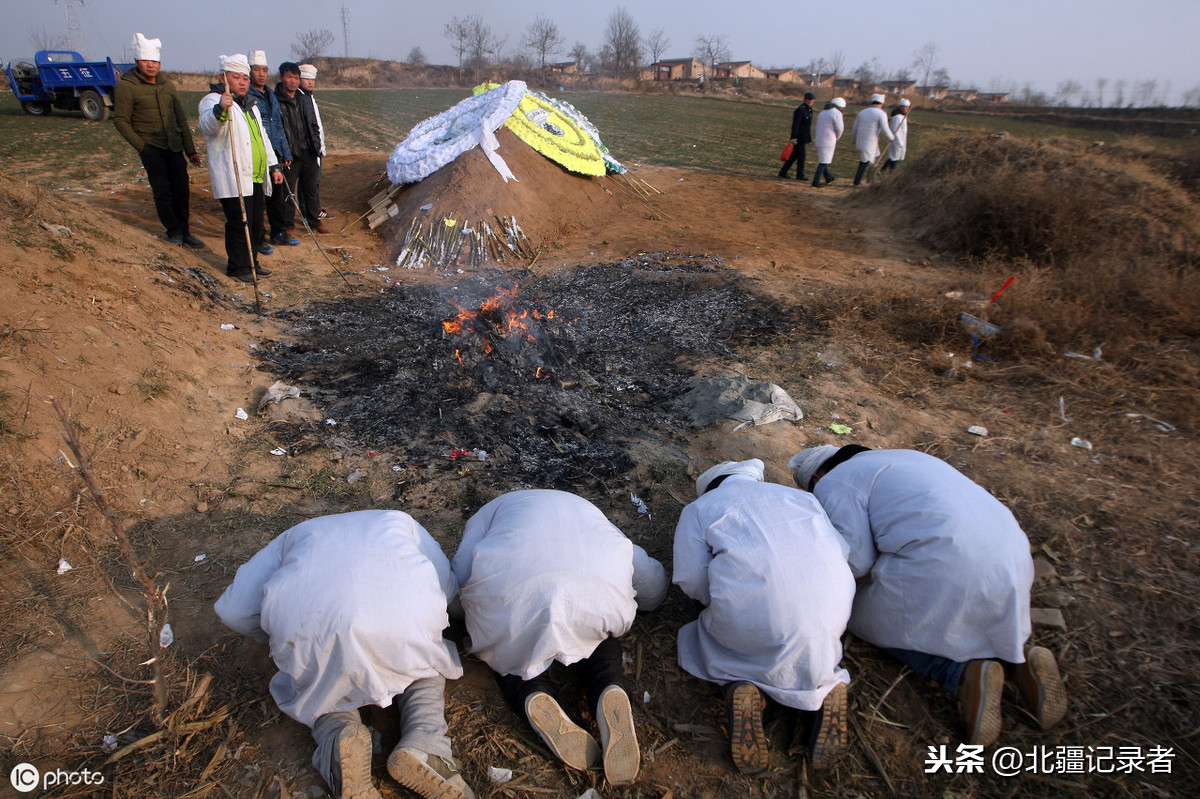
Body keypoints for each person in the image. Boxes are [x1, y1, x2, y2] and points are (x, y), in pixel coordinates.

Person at [789, 445, 1068, 747]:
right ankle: (1018, 660)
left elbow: (856, 561)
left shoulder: (835, 481)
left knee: (850, 612)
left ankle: (960, 674)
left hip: (951, 564)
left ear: (817, 476)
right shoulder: (902, 457)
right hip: (1013, 558)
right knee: (956, 596)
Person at [214, 510, 476, 799]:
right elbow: (449, 588)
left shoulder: (294, 535)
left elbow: (232, 611)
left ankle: (338, 736)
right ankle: (426, 744)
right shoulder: (400, 520)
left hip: (308, 630)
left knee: (322, 688)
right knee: (426, 667)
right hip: (398, 627)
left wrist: (273, 637)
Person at [450, 489, 667, 785]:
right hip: (596, 596)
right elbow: (650, 582)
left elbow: (460, 576)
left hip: (518, 601)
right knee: (598, 636)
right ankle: (609, 686)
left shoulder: (488, 513)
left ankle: (534, 693)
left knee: (513, 655)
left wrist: (475, 617)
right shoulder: (590, 511)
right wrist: (650, 602)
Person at [673, 459, 854, 773]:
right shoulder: (802, 498)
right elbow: (840, 549)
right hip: (833, 606)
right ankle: (824, 687)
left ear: (711, 487)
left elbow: (690, 579)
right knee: (811, 639)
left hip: (754, 619)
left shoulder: (700, 509)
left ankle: (740, 685)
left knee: (720, 641)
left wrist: (714, 600)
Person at [111, 33, 203, 249]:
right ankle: (174, 231)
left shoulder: (167, 86)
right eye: (146, 62)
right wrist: (143, 147)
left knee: (181, 190)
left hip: (174, 147)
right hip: (151, 147)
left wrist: (191, 150)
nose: (150, 66)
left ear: (160, 63)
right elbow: (121, 121)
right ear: (137, 62)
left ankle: (185, 231)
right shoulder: (127, 86)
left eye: (154, 62)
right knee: (162, 191)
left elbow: (180, 118)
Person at [198, 54, 283, 283]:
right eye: (236, 78)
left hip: (255, 174)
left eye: (245, 77)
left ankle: (252, 262)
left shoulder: (251, 105)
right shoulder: (212, 101)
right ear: (223, 78)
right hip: (234, 175)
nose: (243, 82)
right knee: (239, 223)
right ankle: (238, 267)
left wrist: (273, 165)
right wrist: (220, 110)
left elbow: (262, 138)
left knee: (256, 224)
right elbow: (207, 127)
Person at [247, 50, 293, 255]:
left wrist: (285, 152)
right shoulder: (248, 95)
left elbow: (278, 126)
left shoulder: (270, 94)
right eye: (257, 70)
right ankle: (259, 237)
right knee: (258, 198)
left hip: (274, 149)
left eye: (264, 70)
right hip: (256, 150)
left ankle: (278, 232)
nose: (261, 74)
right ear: (250, 72)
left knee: (276, 194)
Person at [275, 62, 326, 240]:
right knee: (288, 192)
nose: (293, 81)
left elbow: (313, 124)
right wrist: (282, 153)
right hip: (290, 154)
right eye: (289, 77)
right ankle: (288, 225)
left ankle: (313, 220)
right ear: (281, 77)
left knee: (311, 188)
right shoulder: (276, 100)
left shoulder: (304, 99)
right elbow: (277, 128)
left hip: (309, 151)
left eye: (296, 78)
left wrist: (317, 146)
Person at [298, 64, 335, 224]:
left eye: (312, 79)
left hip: (315, 146)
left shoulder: (309, 97)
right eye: (306, 79)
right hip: (308, 148)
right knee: (307, 184)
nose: (310, 82)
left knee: (315, 182)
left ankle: (315, 210)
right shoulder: (300, 98)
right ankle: (308, 213)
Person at [851, 94, 895, 186]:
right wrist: (891, 137)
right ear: (881, 103)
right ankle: (857, 182)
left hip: (861, 141)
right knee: (864, 162)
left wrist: (854, 139)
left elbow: (855, 127)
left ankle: (865, 179)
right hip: (869, 142)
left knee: (868, 159)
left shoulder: (862, 112)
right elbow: (885, 128)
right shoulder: (881, 113)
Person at [778, 92, 816, 181]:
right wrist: (793, 137)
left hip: (804, 137)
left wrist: (809, 138)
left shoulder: (810, 110)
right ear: (805, 99)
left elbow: (808, 126)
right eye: (809, 99)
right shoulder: (800, 110)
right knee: (801, 157)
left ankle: (783, 172)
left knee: (793, 156)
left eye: (812, 100)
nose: (811, 101)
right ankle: (800, 175)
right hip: (799, 138)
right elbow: (796, 125)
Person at [811, 97, 846, 188]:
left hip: (819, 139)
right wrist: (837, 137)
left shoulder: (822, 112)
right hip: (829, 139)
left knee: (824, 160)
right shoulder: (837, 113)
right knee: (823, 162)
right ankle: (815, 182)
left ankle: (829, 178)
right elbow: (839, 128)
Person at [880, 99, 910, 173]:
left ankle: (883, 170)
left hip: (900, 141)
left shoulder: (903, 117)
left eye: (906, 107)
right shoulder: (897, 117)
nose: (904, 109)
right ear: (900, 107)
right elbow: (895, 130)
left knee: (893, 157)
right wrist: (899, 142)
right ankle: (889, 172)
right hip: (896, 141)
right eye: (903, 107)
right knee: (894, 158)